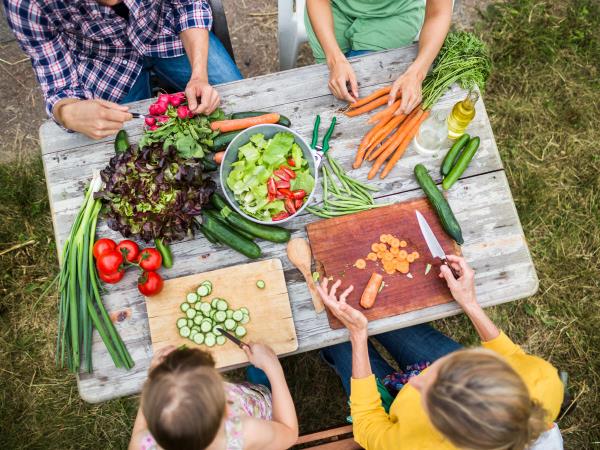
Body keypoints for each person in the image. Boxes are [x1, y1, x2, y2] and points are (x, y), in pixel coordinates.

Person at [317, 255, 564, 450]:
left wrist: (357, 336)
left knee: (336, 337)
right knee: (385, 315)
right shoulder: (543, 381)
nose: (415, 380)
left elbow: (367, 423)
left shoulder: (417, 446)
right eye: (450, 368)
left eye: (428, 397)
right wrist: (469, 302)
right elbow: (512, 356)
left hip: (389, 411)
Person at [4, 0, 243, 139]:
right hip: (104, 62)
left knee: (238, 102)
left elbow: (188, 4)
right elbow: (56, 81)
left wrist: (199, 73)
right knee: (121, 143)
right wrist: (67, 112)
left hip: (169, 31)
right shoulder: (25, 3)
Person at [128, 343, 298, 450]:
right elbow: (289, 432)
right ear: (227, 406)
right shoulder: (246, 432)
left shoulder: (143, 444)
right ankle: (264, 388)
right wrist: (272, 367)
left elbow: (138, 433)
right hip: (257, 409)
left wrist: (155, 377)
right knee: (263, 395)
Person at [305, 0, 453, 114]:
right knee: (330, 87)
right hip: (334, 6)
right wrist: (334, 60)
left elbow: (439, 12)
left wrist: (417, 73)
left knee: (364, 87)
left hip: (395, 12)